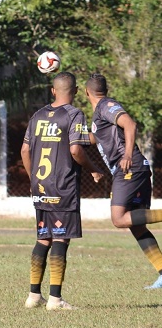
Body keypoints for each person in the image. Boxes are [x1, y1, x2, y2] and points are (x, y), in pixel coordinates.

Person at [21, 72, 103, 311]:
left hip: (40, 185)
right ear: (76, 91)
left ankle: (33, 295)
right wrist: (94, 169)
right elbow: (76, 150)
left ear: (52, 90)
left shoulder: (37, 116)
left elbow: (25, 151)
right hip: (63, 186)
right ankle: (55, 299)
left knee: (42, 238)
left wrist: (33, 178)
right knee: (60, 238)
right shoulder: (74, 114)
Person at [85, 73, 162, 289]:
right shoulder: (99, 114)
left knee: (118, 219)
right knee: (137, 226)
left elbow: (130, 123)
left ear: (86, 92)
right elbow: (97, 137)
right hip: (134, 168)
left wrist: (127, 154)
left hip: (130, 166)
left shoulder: (106, 105)